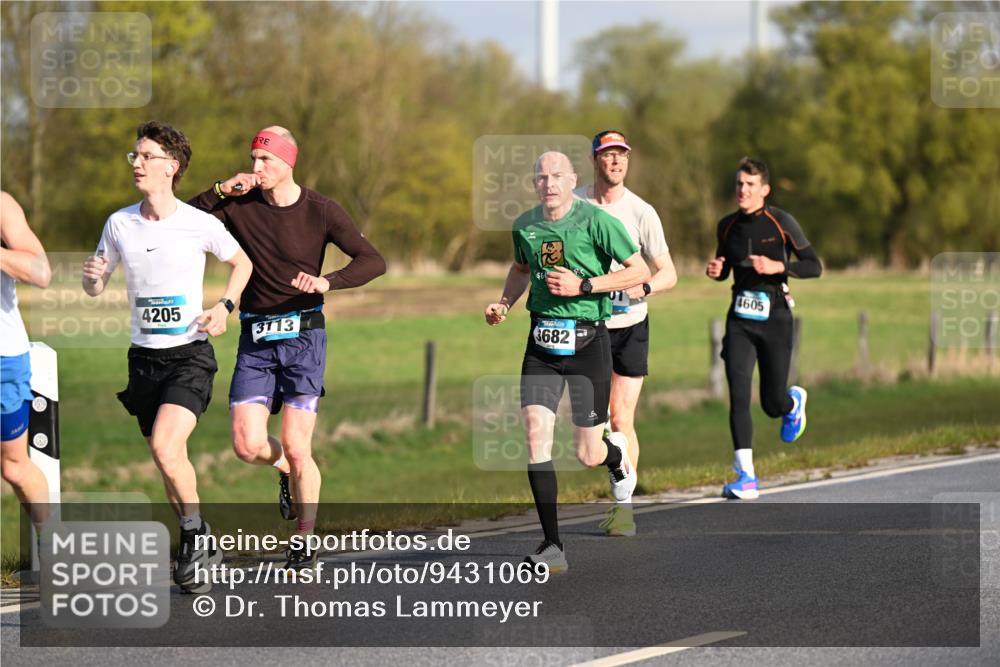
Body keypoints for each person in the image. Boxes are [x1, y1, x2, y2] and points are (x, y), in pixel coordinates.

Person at [190, 126, 386, 570]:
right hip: (256, 340)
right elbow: (180, 220)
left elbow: (373, 260)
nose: (256, 167)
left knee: (300, 447)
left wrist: (327, 282)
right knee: (246, 445)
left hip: (304, 337)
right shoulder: (237, 205)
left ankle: (304, 539)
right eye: (253, 158)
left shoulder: (320, 210)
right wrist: (220, 190)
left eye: (265, 160)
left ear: (287, 162)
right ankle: (283, 469)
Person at [83, 121, 252, 592]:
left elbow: (242, 263)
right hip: (144, 359)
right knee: (168, 459)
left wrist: (225, 307)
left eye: (146, 156)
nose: (136, 163)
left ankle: (194, 537)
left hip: (189, 356)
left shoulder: (200, 223)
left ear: (171, 167)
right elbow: (95, 285)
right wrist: (92, 277)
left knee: (164, 446)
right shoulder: (119, 223)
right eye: (134, 156)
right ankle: (199, 536)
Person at [484, 151, 650, 572]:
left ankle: (615, 456)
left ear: (573, 180)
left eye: (557, 176)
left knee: (588, 454)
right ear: (534, 184)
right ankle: (552, 546)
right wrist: (504, 304)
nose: (549, 184)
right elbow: (520, 269)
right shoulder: (525, 225)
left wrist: (585, 285)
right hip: (541, 344)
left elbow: (639, 271)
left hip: (588, 342)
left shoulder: (597, 222)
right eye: (542, 177)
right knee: (535, 435)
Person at [575, 130, 677, 537]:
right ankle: (616, 464)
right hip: (586, 325)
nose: (616, 161)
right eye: (608, 154)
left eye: (622, 155)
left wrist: (644, 287)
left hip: (630, 324)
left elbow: (669, 272)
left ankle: (624, 508)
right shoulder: (575, 205)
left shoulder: (641, 211)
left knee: (621, 416)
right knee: (594, 424)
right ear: (594, 160)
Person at [706, 157, 822, 500]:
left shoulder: (781, 222)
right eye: (739, 184)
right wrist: (717, 271)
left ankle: (791, 403)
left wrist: (777, 266)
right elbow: (725, 267)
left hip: (776, 318)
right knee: (739, 394)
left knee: (771, 403)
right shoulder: (727, 226)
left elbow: (814, 266)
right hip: (740, 319)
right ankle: (746, 476)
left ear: (765, 189)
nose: (742, 190)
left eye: (750, 185)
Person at [1, 192, 52, 540]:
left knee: (14, 467)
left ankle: (53, 543)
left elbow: (41, 272)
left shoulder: (2, 206)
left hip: (4, 357)